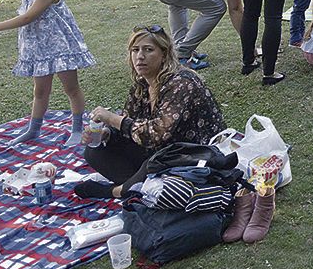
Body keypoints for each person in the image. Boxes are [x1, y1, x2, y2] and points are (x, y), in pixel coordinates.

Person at [74, 26, 226, 199]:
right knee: (95, 151)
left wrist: (113, 119)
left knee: (155, 163)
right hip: (160, 152)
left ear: (164, 54)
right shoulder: (142, 84)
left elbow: (156, 134)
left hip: (196, 155)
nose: (140, 56)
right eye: (135, 50)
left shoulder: (182, 83)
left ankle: (118, 191)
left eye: (148, 50)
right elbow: (130, 127)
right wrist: (106, 134)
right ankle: (141, 186)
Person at [0, 0, 93, 148]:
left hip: (60, 48)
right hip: (40, 49)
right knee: (40, 91)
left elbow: (28, 17)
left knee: (71, 88)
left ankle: (78, 129)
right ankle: (34, 129)